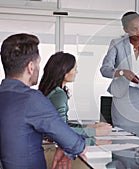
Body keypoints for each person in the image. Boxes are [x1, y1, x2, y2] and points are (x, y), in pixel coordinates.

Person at [0, 33, 87, 169]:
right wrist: (68, 146)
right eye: (38, 63)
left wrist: (62, 145)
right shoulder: (31, 99)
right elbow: (75, 144)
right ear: (30, 67)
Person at [100, 11, 139, 138]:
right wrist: (122, 72)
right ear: (126, 29)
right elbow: (105, 69)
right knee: (121, 142)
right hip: (122, 100)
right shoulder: (117, 44)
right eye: (134, 29)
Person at [39, 51, 112, 145]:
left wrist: (90, 127)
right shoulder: (58, 95)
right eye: (74, 68)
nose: (76, 72)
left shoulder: (53, 91)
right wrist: (94, 136)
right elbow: (60, 131)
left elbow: (62, 124)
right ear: (65, 71)